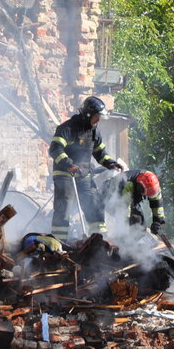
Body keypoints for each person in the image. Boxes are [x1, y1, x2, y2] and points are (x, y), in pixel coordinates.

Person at [47, 96, 122, 241]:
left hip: (84, 174)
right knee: (64, 207)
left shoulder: (94, 132)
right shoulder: (67, 128)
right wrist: (70, 165)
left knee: (94, 204)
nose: (98, 120)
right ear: (88, 114)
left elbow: (100, 153)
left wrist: (110, 163)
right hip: (65, 174)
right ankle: (58, 242)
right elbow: (55, 149)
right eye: (96, 116)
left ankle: (99, 240)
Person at [102, 169, 165, 235]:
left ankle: (133, 237)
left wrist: (158, 222)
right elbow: (123, 210)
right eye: (147, 194)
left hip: (130, 197)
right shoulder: (128, 184)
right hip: (109, 197)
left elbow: (158, 205)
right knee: (133, 223)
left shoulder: (153, 184)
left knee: (139, 226)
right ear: (140, 188)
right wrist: (124, 229)